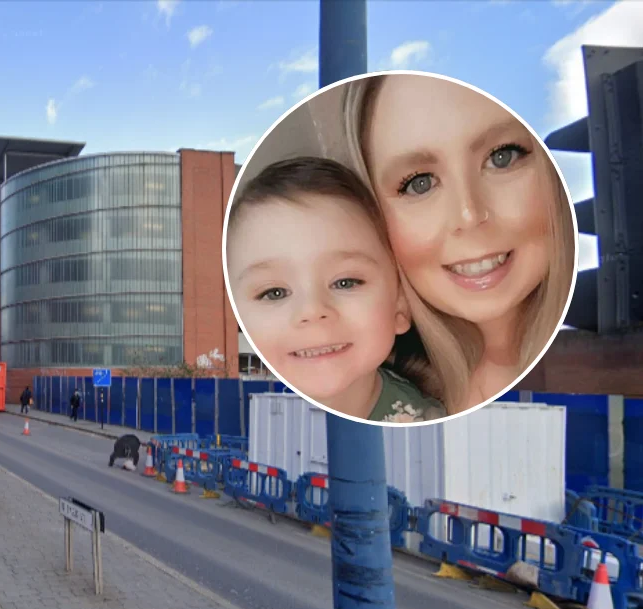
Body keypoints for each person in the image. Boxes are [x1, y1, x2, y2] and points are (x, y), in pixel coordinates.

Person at [343, 74, 575, 414]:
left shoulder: (604, 367)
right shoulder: (366, 396)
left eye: (502, 157)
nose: (469, 215)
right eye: (419, 184)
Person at [227, 156, 445, 423]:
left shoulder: (431, 423)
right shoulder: (262, 421)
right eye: (274, 292)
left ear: (401, 304)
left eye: (345, 282)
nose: (312, 311)